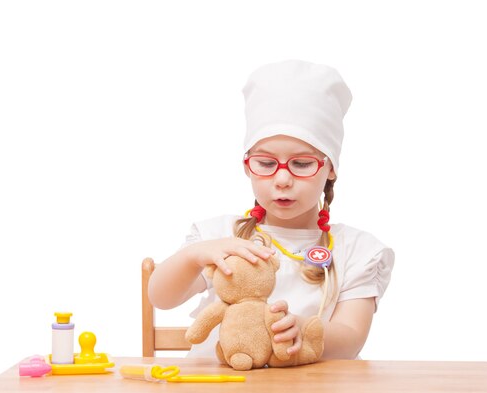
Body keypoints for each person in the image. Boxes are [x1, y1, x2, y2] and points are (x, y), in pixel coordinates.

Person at [149, 60, 394, 360]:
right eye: (266, 163)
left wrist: (305, 330)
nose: (282, 179)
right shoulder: (219, 237)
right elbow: (161, 297)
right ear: (247, 167)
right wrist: (192, 256)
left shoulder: (355, 250)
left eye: (301, 164)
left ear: (330, 168)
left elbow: (352, 338)